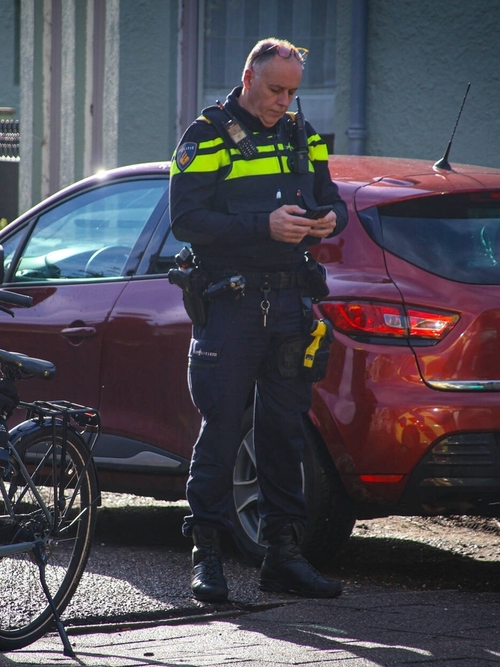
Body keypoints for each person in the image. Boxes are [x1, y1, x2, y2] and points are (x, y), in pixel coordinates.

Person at [168, 38, 348, 602]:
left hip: (290, 306)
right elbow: (186, 219)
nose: (284, 101)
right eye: (276, 90)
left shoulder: (303, 133)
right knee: (222, 429)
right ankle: (208, 558)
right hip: (232, 306)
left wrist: (325, 221)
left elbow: (335, 201)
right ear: (248, 76)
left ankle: (283, 557)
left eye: (293, 91)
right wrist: (261, 227)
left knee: (283, 434)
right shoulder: (208, 135)